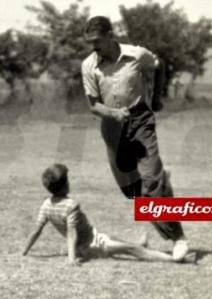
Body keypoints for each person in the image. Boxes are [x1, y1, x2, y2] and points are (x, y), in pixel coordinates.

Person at [81, 16, 189, 261]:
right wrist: (113, 113)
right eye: (89, 42)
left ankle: (179, 238)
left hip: (140, 121)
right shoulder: (89, 65)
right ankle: (162, 182)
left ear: (111, 35)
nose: (93, 47)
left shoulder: (136, 54)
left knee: (151, 183)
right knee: (133, 193)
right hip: (111, 128)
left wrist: (158, 97)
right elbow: (93, 106)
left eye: (97, 41)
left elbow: (158, 65)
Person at [22, 164, 195, 265]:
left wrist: (24, 251)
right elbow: (71, 233)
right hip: (93, 245)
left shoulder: (45, 205)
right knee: (134, 251)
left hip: (88, 242)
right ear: (65, 185)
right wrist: (71, 259)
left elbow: (36, 231)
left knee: (115, 239)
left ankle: (140, 242)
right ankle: (173, 259)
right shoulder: (71, 206)